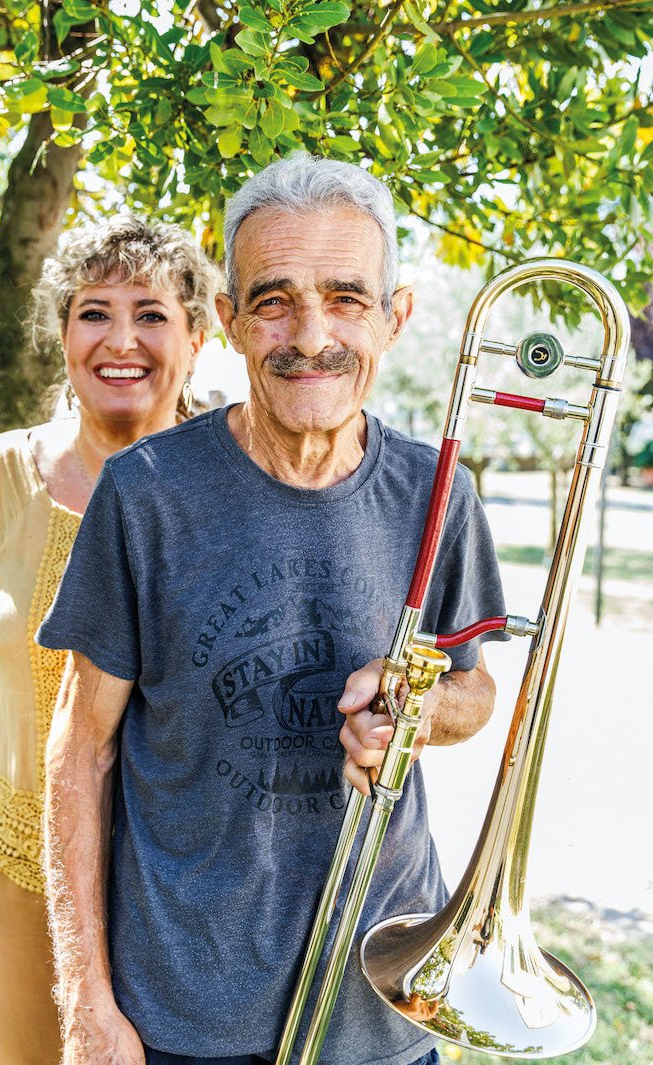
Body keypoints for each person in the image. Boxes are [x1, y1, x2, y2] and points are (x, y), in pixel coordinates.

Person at [37, 153, 507, 1065]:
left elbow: (475, 690)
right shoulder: (145, 496)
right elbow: (78, 749)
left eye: (346, 298)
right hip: (183, 1013)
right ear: (229, 320)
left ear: (396, 317)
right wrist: (84, 997)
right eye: (274, 300)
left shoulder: (438, 491)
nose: (310, 334)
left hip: (385, 999)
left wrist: (422, 705)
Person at [0, 216, 220, 1065]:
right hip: (17, 871)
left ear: (198, 339)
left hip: (186, 890)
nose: (120, 339)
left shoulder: (236, 487)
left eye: (153, 313)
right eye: (94, 312)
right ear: (60, 333)